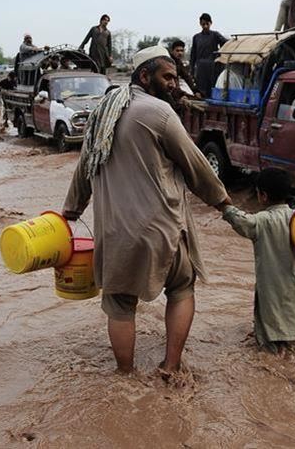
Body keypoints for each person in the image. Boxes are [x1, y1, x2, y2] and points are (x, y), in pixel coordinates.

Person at [62, 46, 231, 375]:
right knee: (182, 288)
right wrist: (224, 204)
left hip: (114, 233)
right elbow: (196, 166)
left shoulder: (102, 114)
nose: (173, 83)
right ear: (144, 76)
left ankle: (124, 375)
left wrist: (70, 212)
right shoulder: (160, 114)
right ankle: (170, 366)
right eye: (167, 76)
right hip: (161, 230)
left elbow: (85, 169)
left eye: (175, 77)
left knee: (119, 304)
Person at [222, 169, 295, 353]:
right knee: (290, 336)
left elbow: (242, 221)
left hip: (271, 288)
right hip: (294, 285)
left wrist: (224, 206)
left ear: (263, 196)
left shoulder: (263, 220)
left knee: (269, 337)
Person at [190, 13, 229, 97]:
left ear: (210, 23)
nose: (205, 26)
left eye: (207, 24)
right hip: (200, 68)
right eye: (203, 24)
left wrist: (221, 54)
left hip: (213, 67)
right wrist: (191, 70)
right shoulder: (196, 37)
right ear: (200, 24)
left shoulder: (215, 35)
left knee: (212, 88)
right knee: (200, 90)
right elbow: (193, 55)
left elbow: (226, 43)